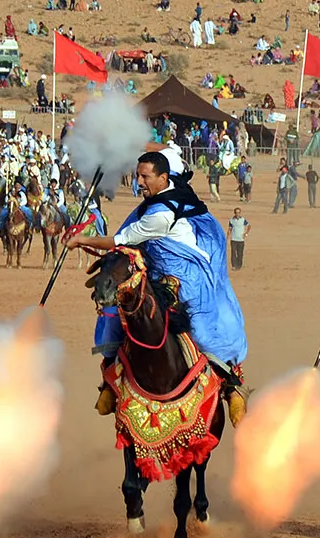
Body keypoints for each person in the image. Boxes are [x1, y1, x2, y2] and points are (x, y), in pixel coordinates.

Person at [65, 152, 248, 423]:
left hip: (187, 276)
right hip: (151, 266)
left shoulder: (160, 215)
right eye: (138, 175)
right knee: (119, 311)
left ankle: (232, 386)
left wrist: (80, 241)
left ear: (163, 178)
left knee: (203, 331)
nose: (139, 182)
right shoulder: (161, 190)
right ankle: (111, 380)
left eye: (144, 177)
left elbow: (119, 239)